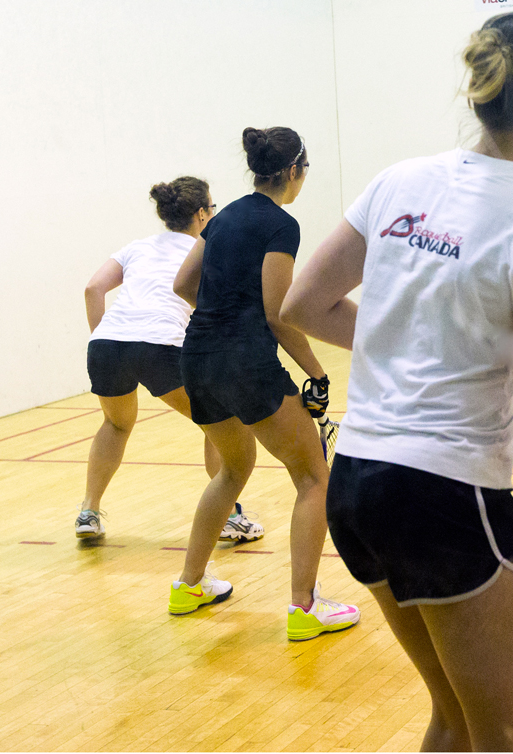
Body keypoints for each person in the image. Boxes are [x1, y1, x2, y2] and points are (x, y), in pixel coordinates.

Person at [281, 11, 513, 750]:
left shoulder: (398, 182)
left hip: (356, 485)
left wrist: (407, 341)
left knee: (455, 717)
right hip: (443, 500)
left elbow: (301, 306)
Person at [168, 127, 359, 642]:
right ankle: (304, 608)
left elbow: (183, 284)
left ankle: (188, 586)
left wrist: (220, 320)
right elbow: (279, 313)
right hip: (244, 363)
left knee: (232, 469)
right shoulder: (280, 224)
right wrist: (316, 373)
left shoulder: (223, 215)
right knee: (314, 477)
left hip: (198, 358)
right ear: (294, 171)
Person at [78, 177, 261, 542]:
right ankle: (227, 517)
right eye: (211, 207)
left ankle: (88, 512)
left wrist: (106, 336)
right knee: (219, 420)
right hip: (161, 345)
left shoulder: (137, 247)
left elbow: (93, 288)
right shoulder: (206, 250)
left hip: (107, 345)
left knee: (116, 425)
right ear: (200, 214)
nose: (213, 213)